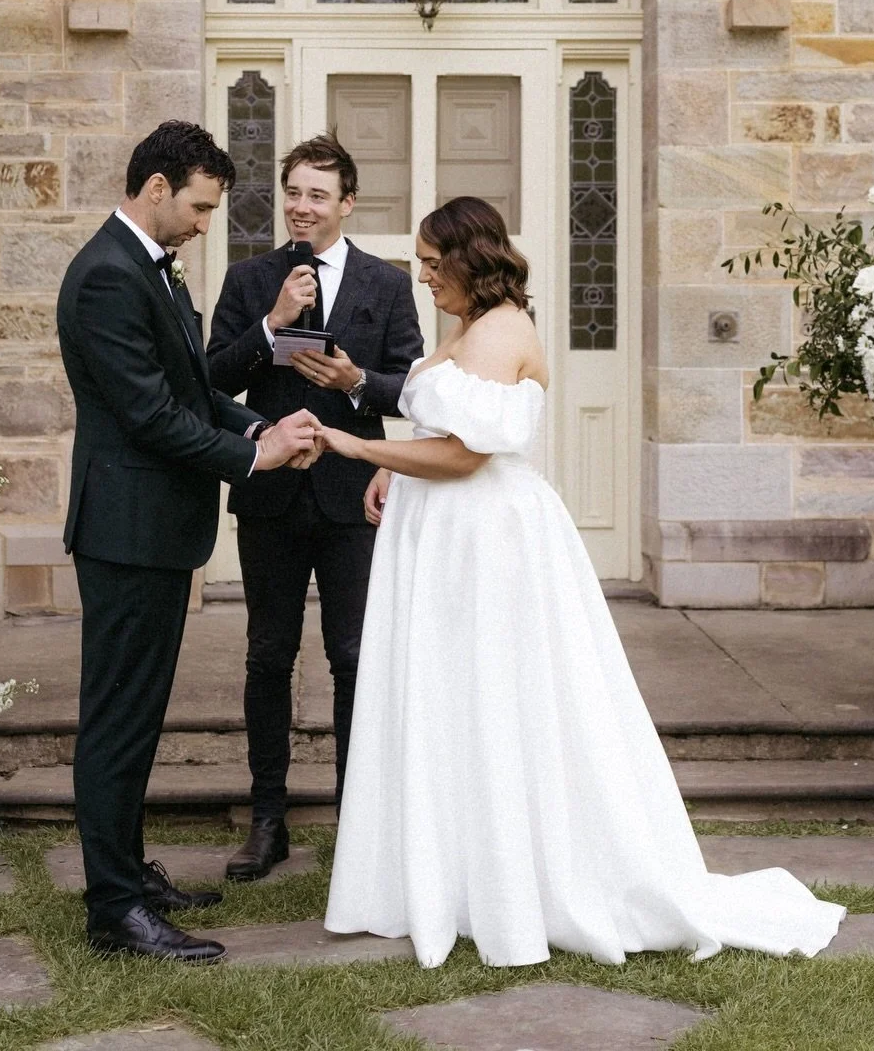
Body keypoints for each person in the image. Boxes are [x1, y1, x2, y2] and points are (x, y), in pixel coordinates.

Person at [317, 196, 846, 969]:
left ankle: (514, 881)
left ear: (470, 260)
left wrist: (359, 452)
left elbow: (468, 458)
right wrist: (401, 473)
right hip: (447, 526)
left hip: (484, 536)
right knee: (449, 698)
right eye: (422, 265)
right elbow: (443, 429)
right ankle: (453, 876)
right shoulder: (472, 326)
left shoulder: (499, 332)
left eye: (434, 265)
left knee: (494, 699)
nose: (423, 279)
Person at [56, 120, 322, 964]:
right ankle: (114, 913)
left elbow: (196, 391)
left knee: (138, 718)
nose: (207, 224)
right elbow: (149, 416)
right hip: (126, 532)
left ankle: (129, 876)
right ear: (158, 187)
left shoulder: (153, 271)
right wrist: (255, 457)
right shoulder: (105, 275)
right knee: (117, 722)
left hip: (159, 531)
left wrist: (264, 423)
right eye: (202, 208)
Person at [207, 134, 423, 881]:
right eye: (293, 192)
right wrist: (269, 323)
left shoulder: (387, 284)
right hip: (268, 493)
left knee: (354, 657)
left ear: (347, 204)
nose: (302, 206)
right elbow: (212, 382)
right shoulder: (249, 278)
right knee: (268, 656)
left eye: (317, 195)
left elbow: (412, 388)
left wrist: (357, 381)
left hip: (349, 498)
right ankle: (268, 820)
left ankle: (355, 821)